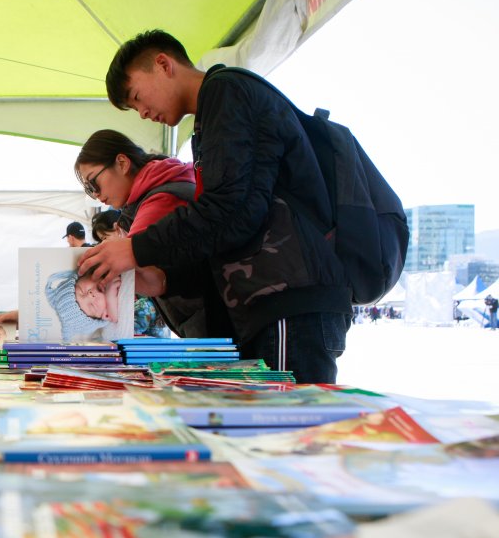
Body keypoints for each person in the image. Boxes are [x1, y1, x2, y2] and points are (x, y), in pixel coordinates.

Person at [78, 30, 352, 384]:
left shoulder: (227, 92)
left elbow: (231, 209)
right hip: (267, 304)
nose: (143, 113)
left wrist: (136, 248)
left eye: (137, 97)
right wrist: (164, 280)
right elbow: (224, 230)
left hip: (289, 301)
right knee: (267, 418)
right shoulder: (209, 118)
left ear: (163, 64)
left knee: (289, 416)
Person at [77, 129, 233, 339]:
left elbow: (141, 269)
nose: (95, 194)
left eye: (93, 183)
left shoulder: (162, 198)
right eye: (88, 189)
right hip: (212, 323)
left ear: (122, 163)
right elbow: (156, 280)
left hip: (216, 325)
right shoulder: (164, 184)